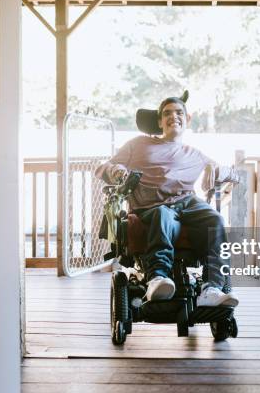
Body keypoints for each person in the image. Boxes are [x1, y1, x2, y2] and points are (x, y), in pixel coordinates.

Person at [95, 96, 238, 307]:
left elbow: (234, 176)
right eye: (167, 113)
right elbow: (102, 168)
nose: (174, 116)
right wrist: (117, 171)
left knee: (214, 219)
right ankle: (157, 278)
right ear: (160, 121)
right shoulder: (138, 144)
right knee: (163, 215)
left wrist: (215, 169)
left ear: (187, 118)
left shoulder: (194, 154)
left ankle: (212, 288)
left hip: (187, 202)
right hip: (151, 206)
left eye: (179, 112)